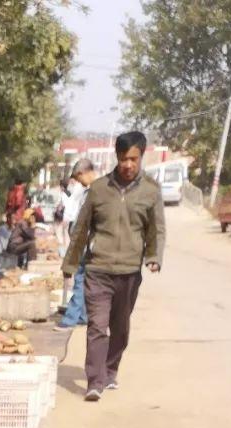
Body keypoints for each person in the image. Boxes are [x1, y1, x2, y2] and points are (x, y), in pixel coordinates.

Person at [63, 130, 165, 402]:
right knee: (97, 326)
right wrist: (70, 264)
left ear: (141, 156)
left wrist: (154, 256)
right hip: (98, 270)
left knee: (120, 328)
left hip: (130, 272)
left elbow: (156, 229)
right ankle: (94, 381)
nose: (128, 165)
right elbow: (81, 230)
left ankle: (110, 370)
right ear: (116, 158)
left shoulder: (151, 190)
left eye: (133, 159)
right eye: (123, 159)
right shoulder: (98, 190)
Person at [56, 159, 96, 330]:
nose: (78, 182)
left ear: (85, 173)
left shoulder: (96, 192)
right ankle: (83, 315)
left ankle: (70, 319)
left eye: (79, 178)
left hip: (87, 243)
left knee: (80, 279)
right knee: (83, 280)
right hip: (82, 241)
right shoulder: (86, 191)